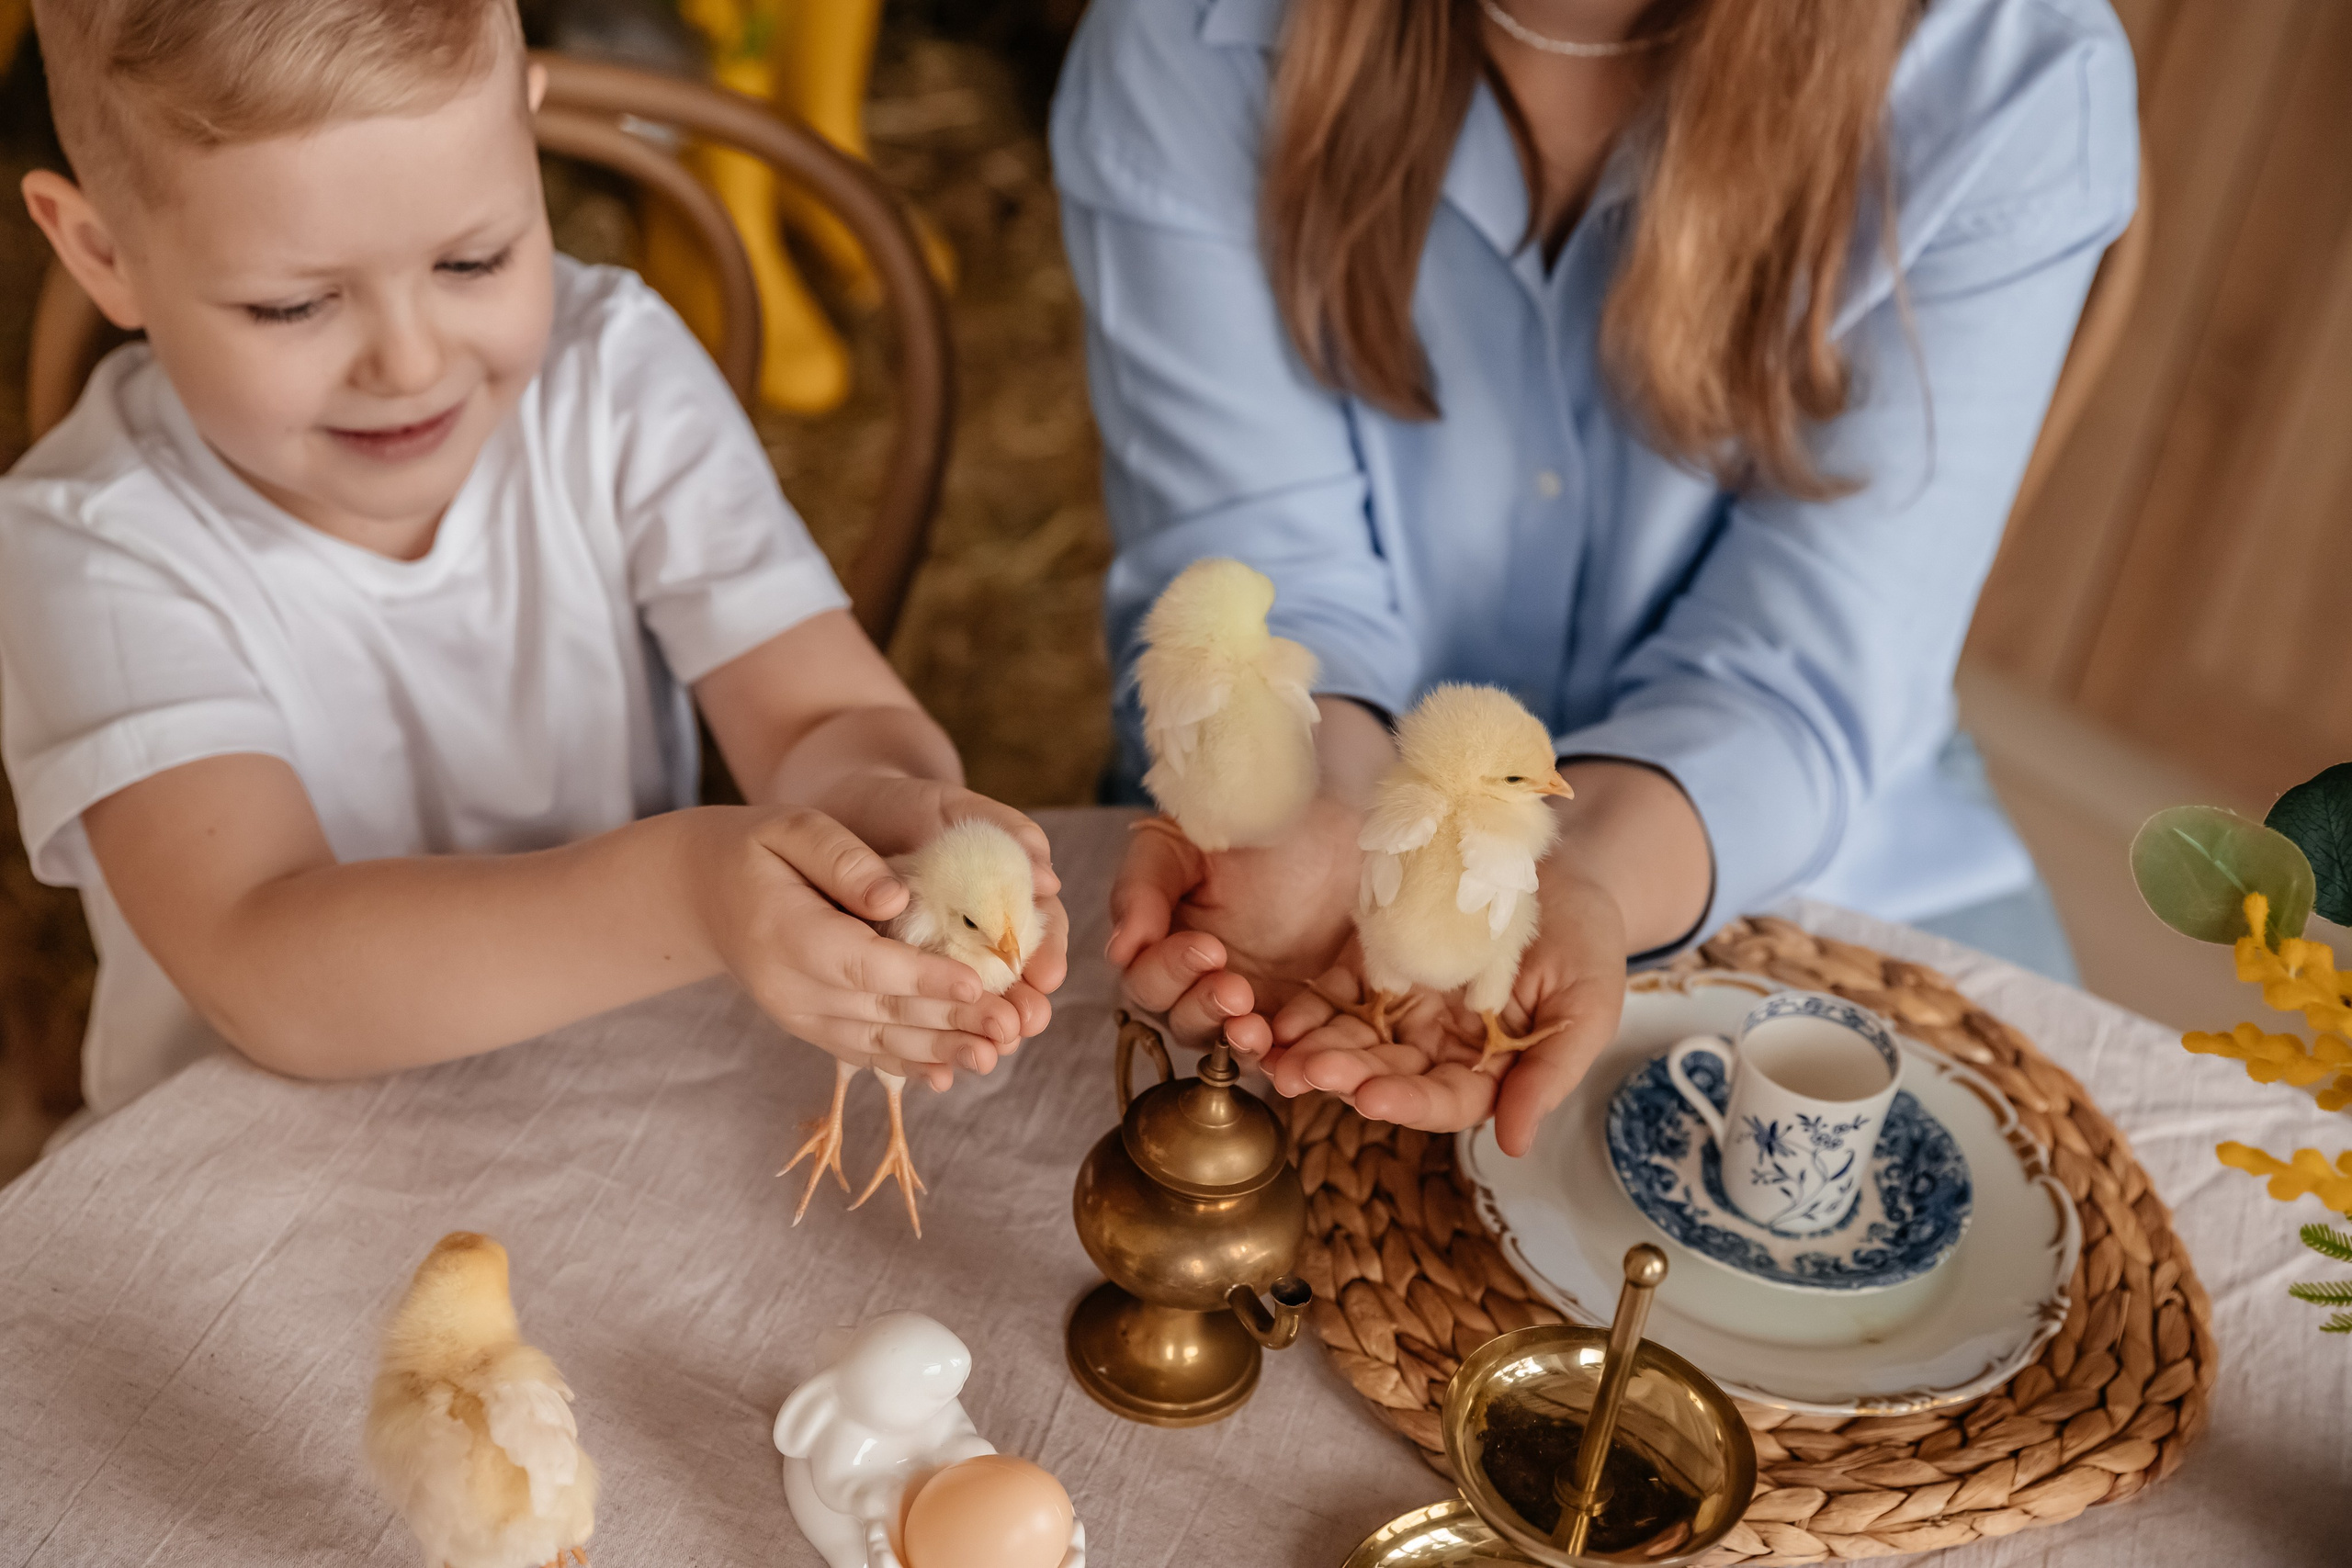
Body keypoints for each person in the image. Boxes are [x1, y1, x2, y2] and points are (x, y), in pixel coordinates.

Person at [1054, 0, 2137, 1153]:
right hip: (1321, 834)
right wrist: (1311, 806)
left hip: (1815, 850)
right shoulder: (1189, 29)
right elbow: (1263, 595)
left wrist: (1585, 888)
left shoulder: (2004, 74)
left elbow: (1800, 669)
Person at [1, 0, 1065, 1124]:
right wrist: (689, 889)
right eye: (294, 304)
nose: (410, 363)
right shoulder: (92, 541)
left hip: (624, 1098)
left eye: (473, 258)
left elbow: (813, 720)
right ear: (100, 253)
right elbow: (267, 965)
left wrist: (882, 823)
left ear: (531, 136)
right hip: (262, 1166)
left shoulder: (612, 374)